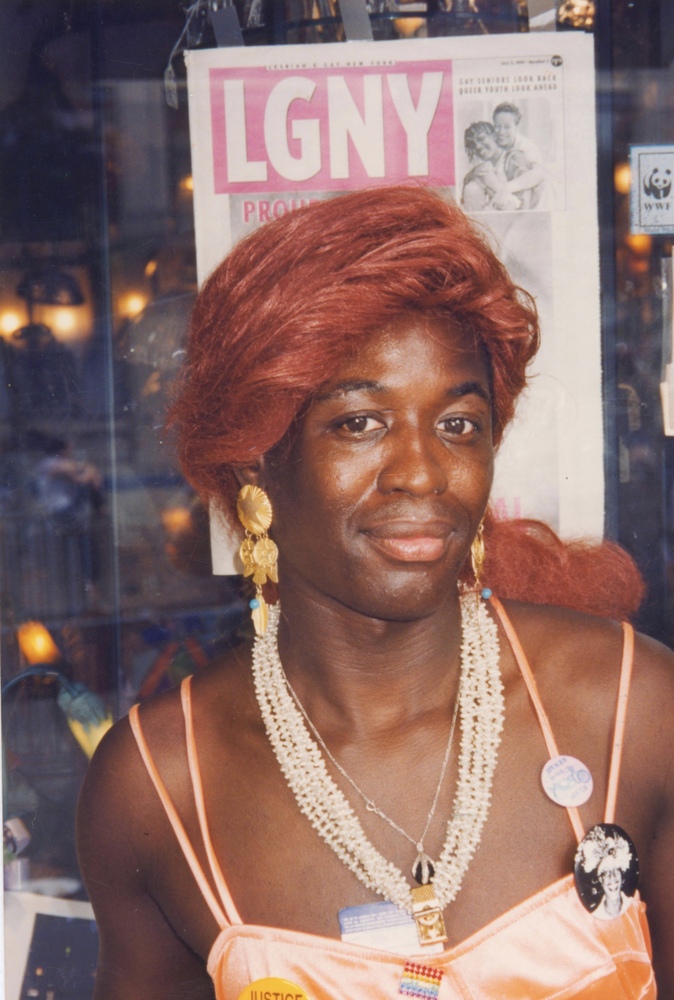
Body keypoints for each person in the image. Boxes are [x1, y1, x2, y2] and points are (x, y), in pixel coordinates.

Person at [76, 187, 674, 998]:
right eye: (360, 422)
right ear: (256, 459)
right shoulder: (158, 787)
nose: (423, 473)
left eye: (458, 424)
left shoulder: (629, 707)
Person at [490, 102, 550, 211]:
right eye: (497, 126)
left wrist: (507, 188)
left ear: (516, 127)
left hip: (519, 191)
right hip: (497, 191)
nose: (501, 132)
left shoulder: (525, 145)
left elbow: (538, 173)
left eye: (507, 127)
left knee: (544, 185)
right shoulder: (489, 144)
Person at [461, 122, 523, 212]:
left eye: (481, 139)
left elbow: (525, 201)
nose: (478, 146)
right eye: (473, 145)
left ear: (494, 136)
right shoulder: (481, 170)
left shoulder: (514, 158)